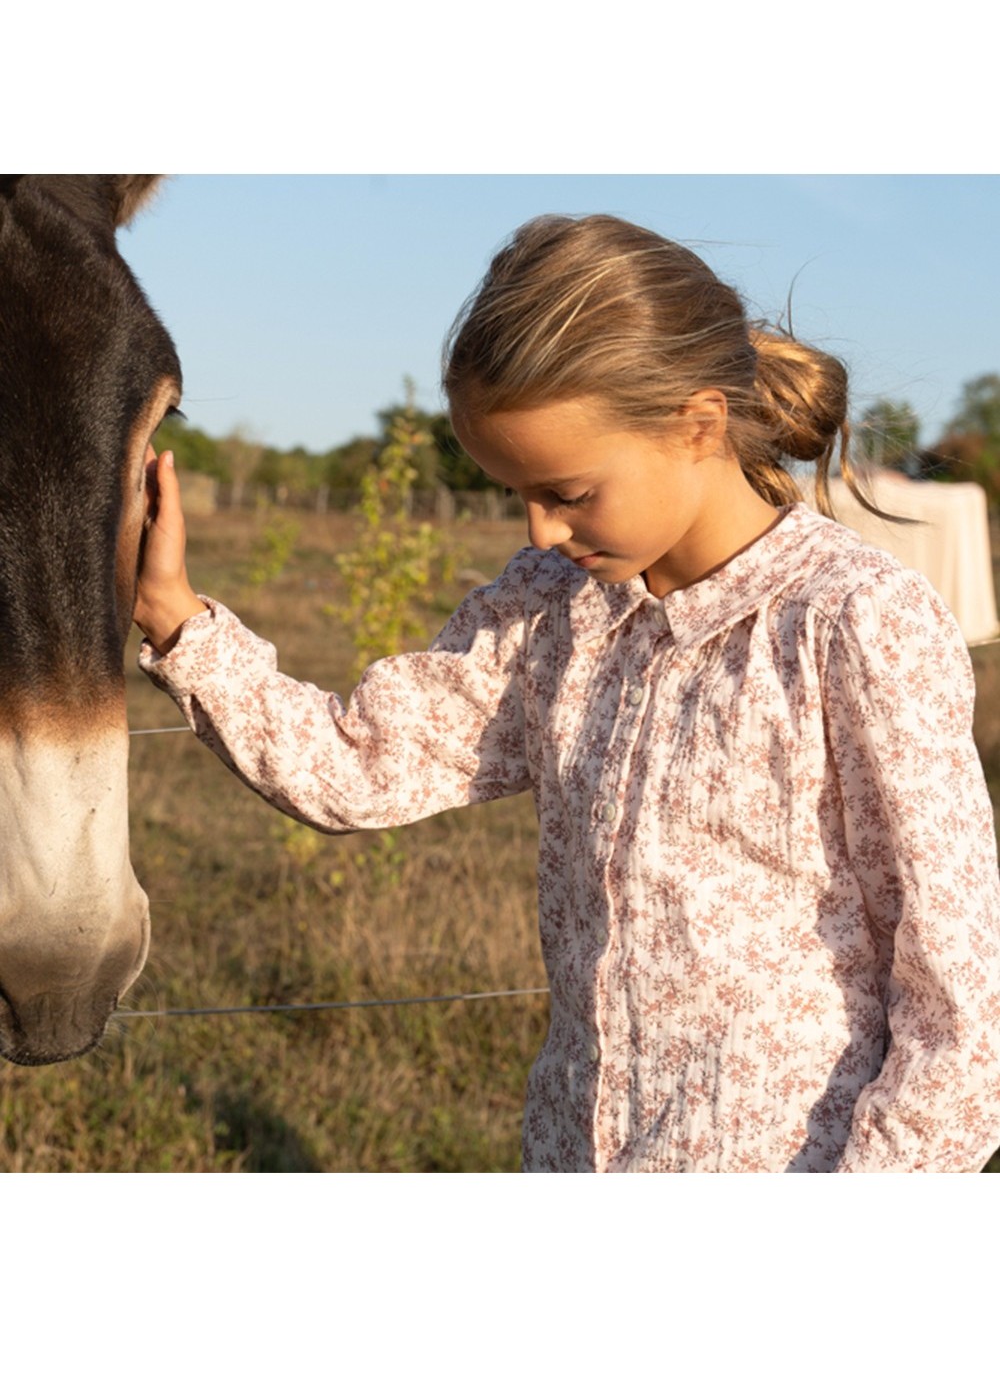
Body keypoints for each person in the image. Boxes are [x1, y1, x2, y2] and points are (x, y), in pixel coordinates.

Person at [135, 214, 1000, 1173]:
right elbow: (358, 767)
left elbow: (961, 1006)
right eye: (517, 494)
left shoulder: (851, 623)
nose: (542, 531)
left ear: (698, 424)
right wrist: (177, 618)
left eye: (571, 492)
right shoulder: (550, 609)